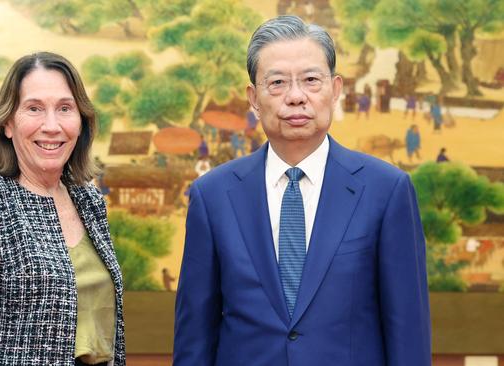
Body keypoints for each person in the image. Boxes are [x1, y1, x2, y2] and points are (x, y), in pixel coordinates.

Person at [174, 15, 430, 366]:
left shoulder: (386, 190)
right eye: (277, 82)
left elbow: (408, 335)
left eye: (311, 80)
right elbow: (195, 338)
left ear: (335, 89)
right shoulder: (213, 196)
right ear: (253, 97)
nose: (296, 97)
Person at [0, 52, 126, 366]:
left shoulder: (88, 199)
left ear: (81, 120)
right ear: (7, 122)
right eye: (34, 108)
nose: (52, 125)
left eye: (64, 108)